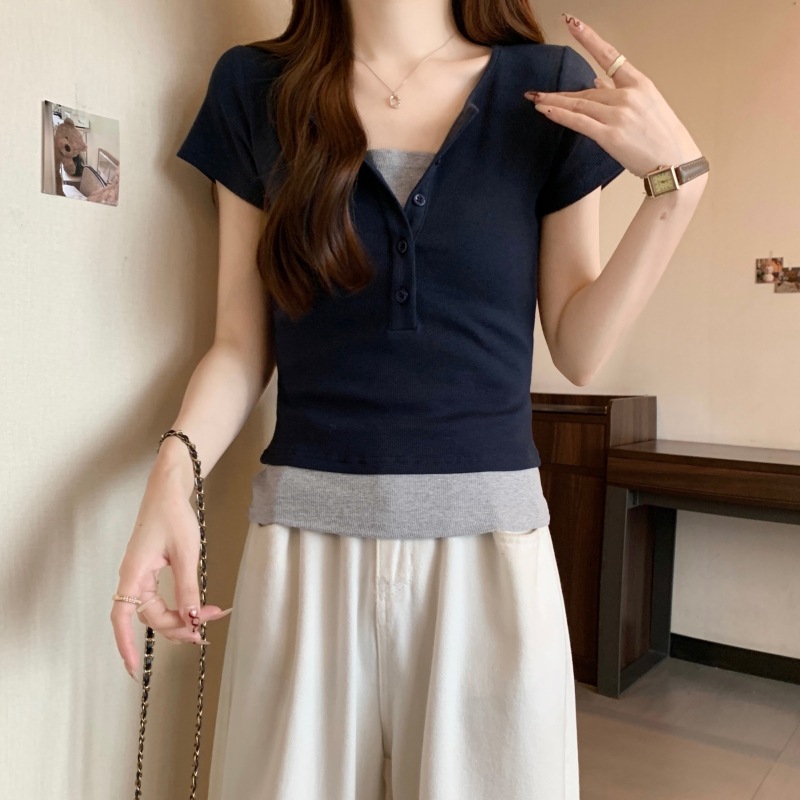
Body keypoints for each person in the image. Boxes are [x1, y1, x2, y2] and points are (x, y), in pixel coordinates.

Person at [110, 2, 708, 798]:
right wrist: (172, 474)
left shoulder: (545, 86)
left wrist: (677, 187)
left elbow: (578, 346)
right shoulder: (255, 88)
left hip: (489, 558)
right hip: (305, 552)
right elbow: (241, 344)